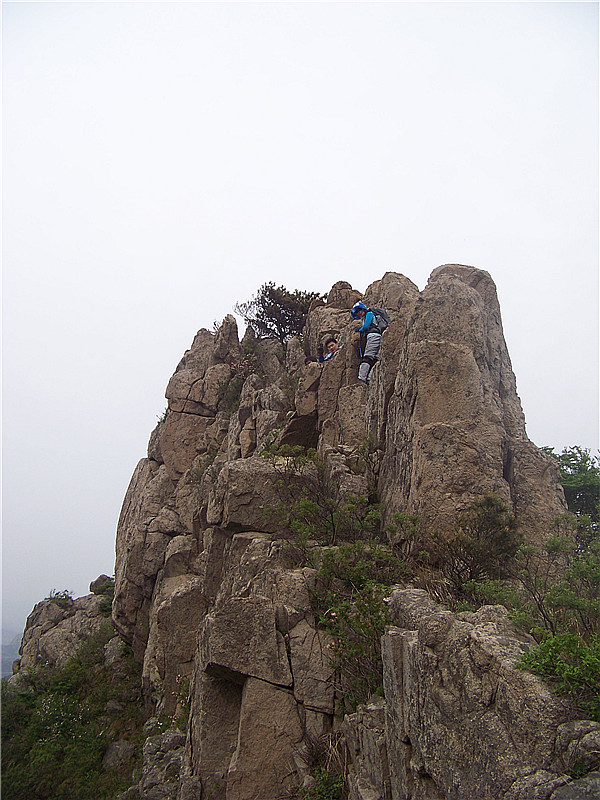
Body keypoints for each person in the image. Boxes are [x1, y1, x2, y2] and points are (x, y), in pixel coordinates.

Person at [351, 301, 381, 384]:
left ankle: (362, 378)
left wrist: (359, 330)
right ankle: (370, 377)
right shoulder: (366, 316)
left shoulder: (369, 314)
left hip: (373, 336)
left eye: (360, 311)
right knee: (375, 359)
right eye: (357, 312)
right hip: (375, 336)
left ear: (363, 309)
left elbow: (366, 326)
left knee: (367, 357)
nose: (359, 313)